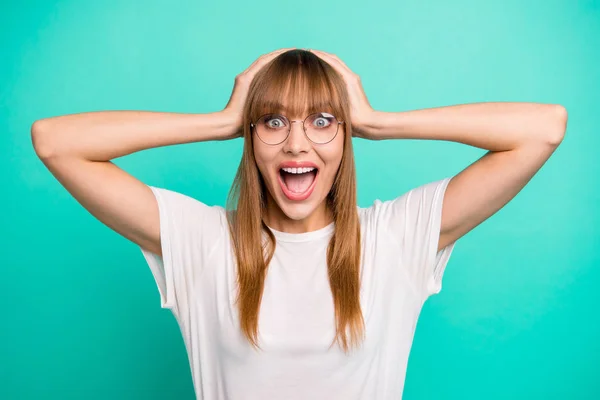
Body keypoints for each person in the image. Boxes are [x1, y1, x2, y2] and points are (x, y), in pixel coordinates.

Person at [31, 47, 567, 399]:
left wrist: (379, 122)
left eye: (322, 121)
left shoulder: (394, 238)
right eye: (273, 121)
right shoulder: (202, 241)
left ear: (345, 136)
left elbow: (543, 129)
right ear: (252, 136)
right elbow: (55, 142)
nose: (296, 143)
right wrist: (221, 121)